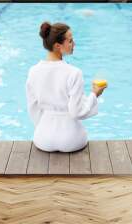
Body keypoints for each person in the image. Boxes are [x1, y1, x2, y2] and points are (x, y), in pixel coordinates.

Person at [26, 22, 107, 153]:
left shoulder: (33, 71)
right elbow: (77, 112)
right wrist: (94, 94)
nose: (74, 44)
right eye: (70, 41)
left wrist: (44, 128)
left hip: (43, 139)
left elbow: (33, 108)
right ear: (58, 46)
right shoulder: (74, 72)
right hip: (71, 140)